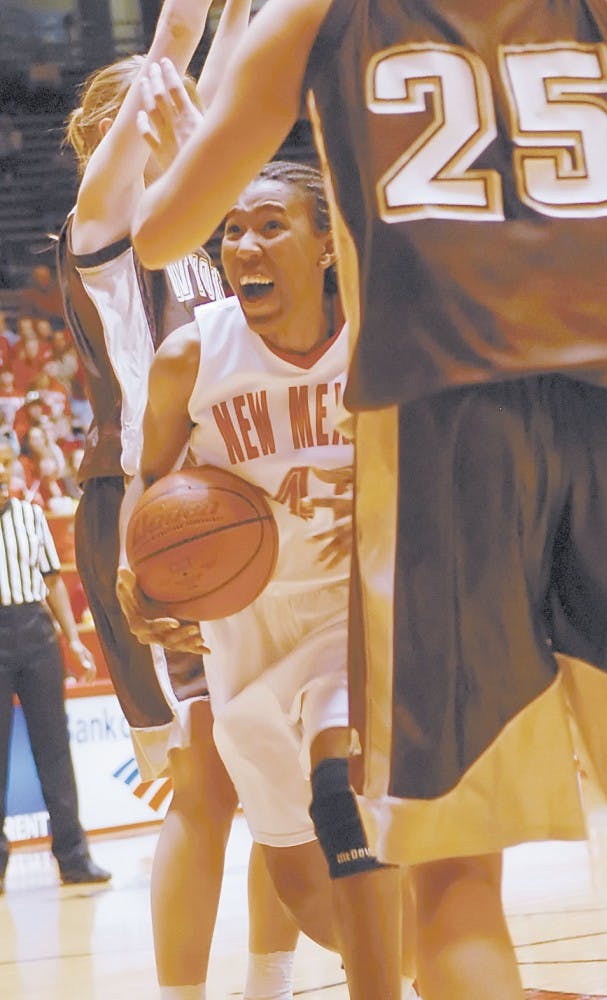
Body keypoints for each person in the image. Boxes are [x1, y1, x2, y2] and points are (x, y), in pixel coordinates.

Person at [130, 0, 607, 997]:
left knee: (448, 865)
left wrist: (204, 127)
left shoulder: (320, 12)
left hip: (447, 432)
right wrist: (552, 213)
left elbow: (161, 232)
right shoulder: (606, 6)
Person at [56, 2, 303, 998]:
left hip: (242, 510)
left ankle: (267, 987)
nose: (195, 124)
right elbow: (113, 181)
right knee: (204, 779)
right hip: (158, 520)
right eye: (172, 115)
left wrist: (235, 35)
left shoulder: (210, 239)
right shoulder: (105, 234)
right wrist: (177, 44)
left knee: (275, 773)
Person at [119, 163, 411, 1000]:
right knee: (307, 886)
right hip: (244, 633)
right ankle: (414, 965)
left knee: (341, 787)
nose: (245, 244)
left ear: (328, 244)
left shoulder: (380, 336)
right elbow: (148, 488)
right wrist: (138, 576)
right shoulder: (192, 357)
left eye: (272, 226)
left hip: (354, 618)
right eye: (233, 230)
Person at [0, 440, 110, 893]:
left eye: (8, 470)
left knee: (54, 747)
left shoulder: (31, 516)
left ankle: (73, 856)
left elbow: (53, 582)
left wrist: (73, 641)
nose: (6, 478)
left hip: (36, 633)